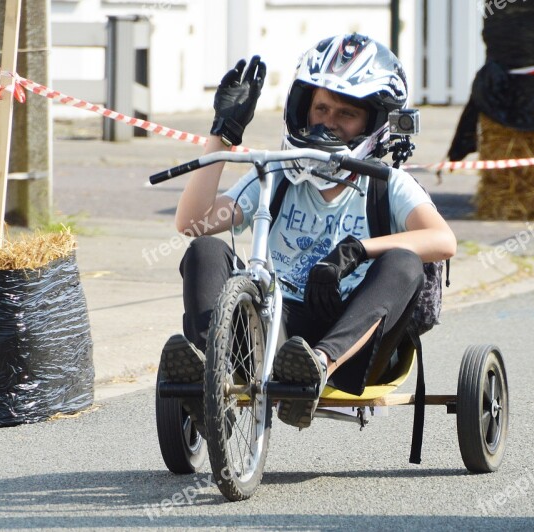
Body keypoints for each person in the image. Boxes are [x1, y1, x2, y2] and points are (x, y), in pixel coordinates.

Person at [159, 33, 457, 430]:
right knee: (205, 250)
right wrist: (223, 133)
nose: (327, 123)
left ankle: (316, 367)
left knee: (404, 261)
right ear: (303, 108)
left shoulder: (387, 183)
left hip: (354, 340)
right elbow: (192, 222)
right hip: (276, 332)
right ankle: (210, 377)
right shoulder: (280, 174)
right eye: (320, 108)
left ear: (373, 124)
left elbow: (443, 241)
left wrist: (357, 250)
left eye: (345, 114)